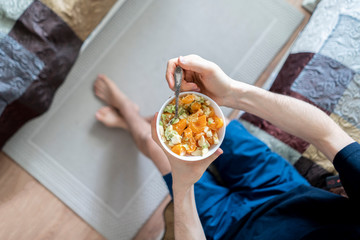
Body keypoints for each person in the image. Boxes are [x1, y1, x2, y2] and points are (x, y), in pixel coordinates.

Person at [94, 55, 360, 240]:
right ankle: (142, 120)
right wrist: (232, 92)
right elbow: (327, 134)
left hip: (227, 230)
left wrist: (183, 185)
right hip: (283, 190)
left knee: (155, 145)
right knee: (224, 127)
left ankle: (128, 114)